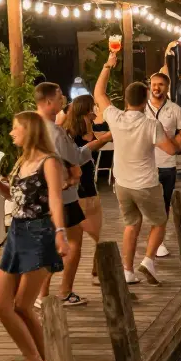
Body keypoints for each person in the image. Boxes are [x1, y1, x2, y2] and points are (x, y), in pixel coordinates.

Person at [0, 112, 68, 361]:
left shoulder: (49, 162)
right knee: (0, 306)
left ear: (29, 131)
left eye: (16, 128)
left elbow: (55, 199)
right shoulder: (21, 161)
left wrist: (60, 232)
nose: (11, 133)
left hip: (40, 233)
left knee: (22, 305)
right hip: (17, 233)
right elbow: (18, 200)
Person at [95, 51, 181, 285]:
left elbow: (99, 93)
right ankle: (148, 260)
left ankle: (127, 271)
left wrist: (108, 65)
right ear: (145, 96)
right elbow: (171, 150)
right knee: (159, 222)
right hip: (146, 184)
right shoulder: (151, 125)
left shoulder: (115, 118)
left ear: (126, 100)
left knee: (131, 224)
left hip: (122, 184)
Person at [32, 83, 89, 308]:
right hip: (63, 194)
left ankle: (41, 294)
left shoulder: (29, 126)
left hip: (41, 194)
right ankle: (63, 291)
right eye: (59, 98)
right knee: (72, 243)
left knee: (50, 244)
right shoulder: (54, 131)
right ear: (48, 102)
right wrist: (95, 145)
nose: (63, 100)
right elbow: (74, 158)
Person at [61, 96, 111, 282]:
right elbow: (78, 156)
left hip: (91, 191)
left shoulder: (95, 130)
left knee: (101, 238)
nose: (97, 110)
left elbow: (102, 137)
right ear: (86, 110)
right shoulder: (69, 135)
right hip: (77, 193)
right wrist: (105, 137)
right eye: (94, 107)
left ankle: (97, 273)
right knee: (74, 245)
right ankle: (50, 288)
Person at [146, 71, 181, 258]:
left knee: (163, 205)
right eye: (154, 84)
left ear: (167, 87)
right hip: (144, 164)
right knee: (146, 204)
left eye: (161, 84)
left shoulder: (175, 109)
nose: (156, 88)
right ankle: (152, 238)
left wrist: (178, 144)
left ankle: (159, 240)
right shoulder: (141, 108)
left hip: (166, 164)